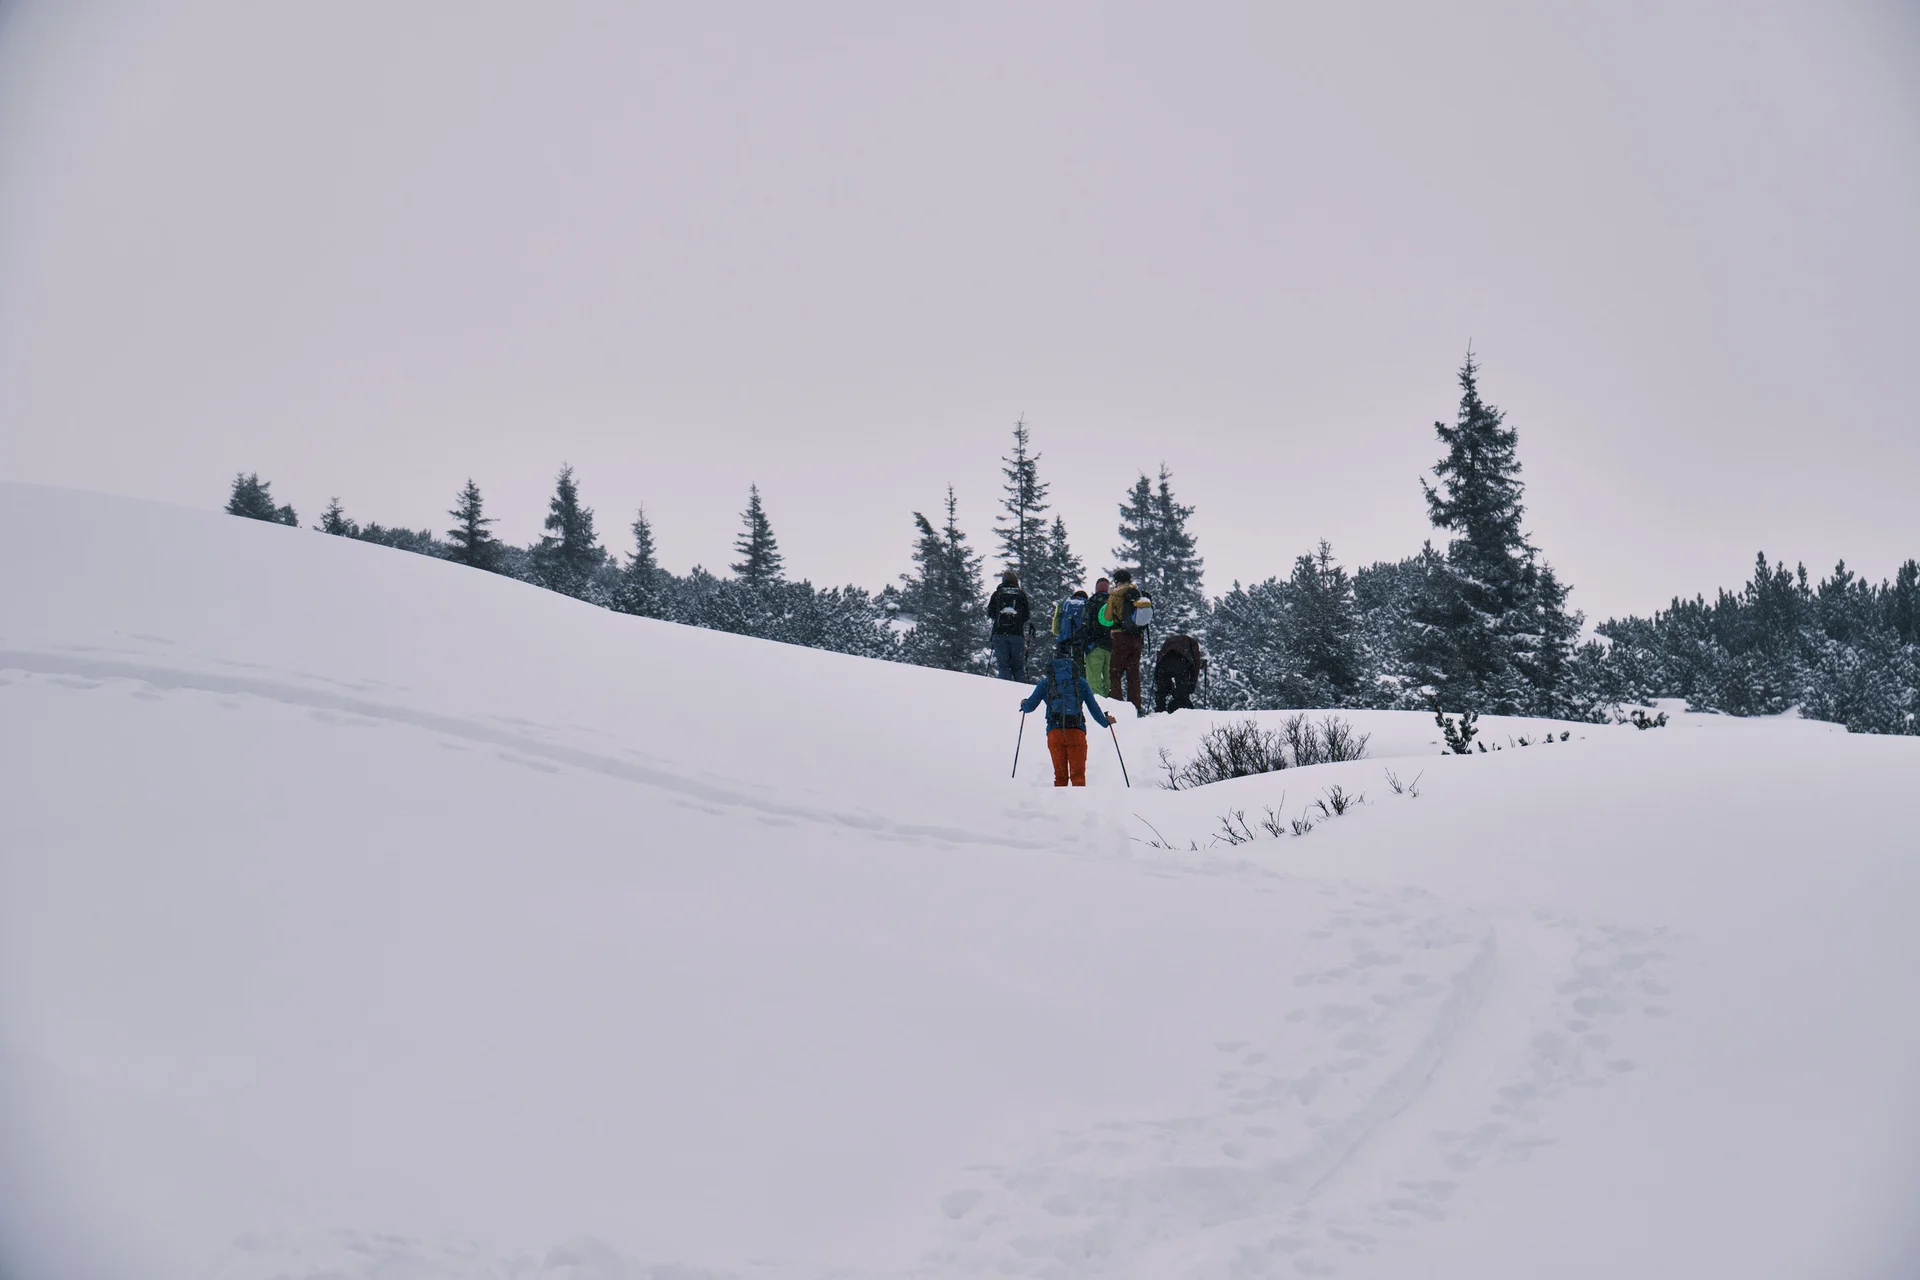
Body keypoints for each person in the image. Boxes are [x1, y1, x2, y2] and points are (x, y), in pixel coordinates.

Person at [1019, 641, 1116, 787]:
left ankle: (1060, 808)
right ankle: (1078, 807)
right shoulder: (1081, 682)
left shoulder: (1046, 682)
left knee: (1060, 778)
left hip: (1054, 732)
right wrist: (1105, 722)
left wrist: (1024, 705)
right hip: (1076, 731)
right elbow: (1094, 709)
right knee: (1078, 778)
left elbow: (1030, 707)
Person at [1101, 570, 1151, 716]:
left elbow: (1108, 616)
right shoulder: (1137, 593)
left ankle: (1117, 704)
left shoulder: (1115, 595)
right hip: (1136, 638)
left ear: (1117, 581)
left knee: (1115, 673)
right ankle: (1136, 706)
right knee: (1133, 673)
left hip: (1120, 637)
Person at [985, 570, 1030, 681]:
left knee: (1003, 666)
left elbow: (990, 613)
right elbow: (1026, 615)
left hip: (999, 633)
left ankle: (1005, 690)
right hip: (1017, 635)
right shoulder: (1021, 595)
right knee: (1018, 667)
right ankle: (1021, 692)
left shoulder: (997, 594)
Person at [1153, 632, 1206, 713]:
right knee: (1182, 695)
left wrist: (1168, 688)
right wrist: (1192, 684)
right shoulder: (1193, 644)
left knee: (1161, 692)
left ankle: (1160, 712)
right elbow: (1196, 665)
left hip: (1164, 663)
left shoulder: (1169, 641)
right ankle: (1182, 712)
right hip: (1181, 664)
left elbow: (1160, 658)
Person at [1081, 577, 1113, 698]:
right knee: (1110, 680)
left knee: (1094, 681)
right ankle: (1112, 703)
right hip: (1111, 647)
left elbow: (1085, 624)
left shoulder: (1091, 602)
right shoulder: (1113, 603)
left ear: (1096, 588)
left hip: (1094, 646)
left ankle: (1099, 706)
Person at [1051, 589, 1091, 675]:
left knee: (1062, 669)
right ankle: (1080, 686)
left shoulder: (1063, 604)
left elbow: (1055, 629)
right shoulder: (1088, 605)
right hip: (1080, 644)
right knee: (1079, 670)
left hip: (1063, 642)